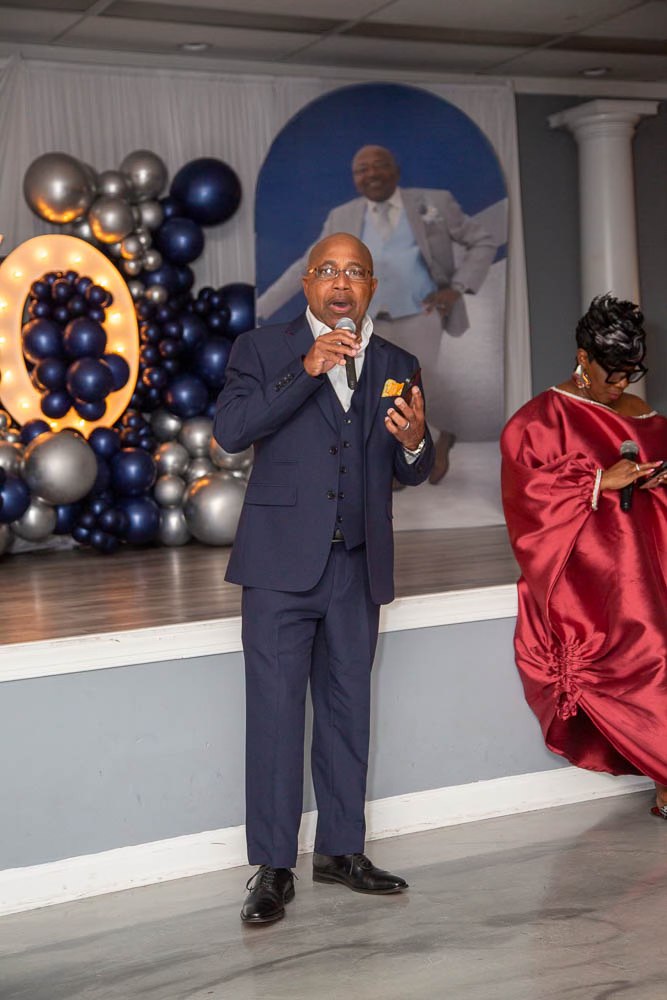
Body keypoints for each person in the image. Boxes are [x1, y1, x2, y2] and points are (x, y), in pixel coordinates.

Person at [214, 232, 434, 925]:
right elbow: (231, 430)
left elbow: (413, 468)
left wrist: (415, 444)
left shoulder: (397, 362)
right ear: (309, 283)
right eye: (330, 270)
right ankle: (272, 867)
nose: (343, 283)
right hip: (279, 564)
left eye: (357, 272)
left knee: (346, 710)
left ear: (372, 288)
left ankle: (341, 850)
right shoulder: (261, 349)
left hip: (356, 565)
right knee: (275, 716)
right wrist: (306, 368)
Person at [501, 294, 667, 820]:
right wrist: (599, 480)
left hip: (653, 556)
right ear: (582, 358)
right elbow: (528, 495)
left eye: (629, 374)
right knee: (652, 657)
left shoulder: (642, 413)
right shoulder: (540, 421)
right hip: (593, 578)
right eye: (611, 374)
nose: (620, 386)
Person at [257, 144, 498, 483]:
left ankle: (423, 451)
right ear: (354, 179)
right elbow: (308, 264)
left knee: (412, 389)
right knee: (370, 393)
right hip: (366, 320)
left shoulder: (434, 202)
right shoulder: (342, 216)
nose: (371, 174)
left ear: (395, 170)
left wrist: (457, 287)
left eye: (379, 165)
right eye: (362, 169)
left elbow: (483, 240)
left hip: (420, 314)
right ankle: (411, 454)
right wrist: (263, 306)